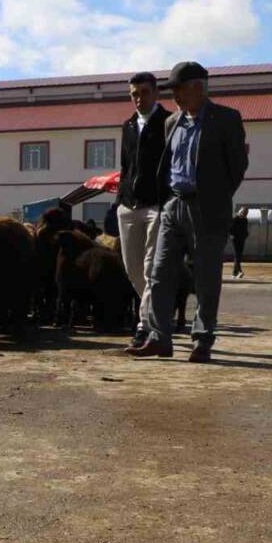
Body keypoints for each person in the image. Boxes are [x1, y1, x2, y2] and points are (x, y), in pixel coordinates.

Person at [128, 61, 248, 364]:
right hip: (173, 205)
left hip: (207, 208)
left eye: (179, 89)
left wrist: (215, 197)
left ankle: (202, 339)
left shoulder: (226, 119)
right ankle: (159, 338)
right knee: (159, 274)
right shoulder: (173, 122)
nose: (175, 96)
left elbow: (237, 167)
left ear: (198, 87)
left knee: (206, 278)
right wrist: (169, 199)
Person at [116, 71, 171, 348]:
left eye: (144, 92)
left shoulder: (169, 122)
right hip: (128, 206)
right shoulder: (127, 126)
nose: (139, 98)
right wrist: (119, 200)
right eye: (134, 94)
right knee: (133, 270)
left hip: (156, 206)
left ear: (156, 93)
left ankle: (144, 326)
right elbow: (125, 166)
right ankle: (155, 315)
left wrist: (168, 200)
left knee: (150, 269)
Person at [229, 207, 248, 279]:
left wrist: (246, 235)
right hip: (236, 239)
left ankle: (236, 273)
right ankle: (238, 272)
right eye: (244, 212)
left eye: (246, 212)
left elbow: (245, 229)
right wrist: (231, 235)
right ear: (240, 211)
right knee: (237, 255)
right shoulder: (235, 219)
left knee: (238, 256)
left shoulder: (245, 220)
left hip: (242, 239)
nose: (245, 213)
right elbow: (230, 228)